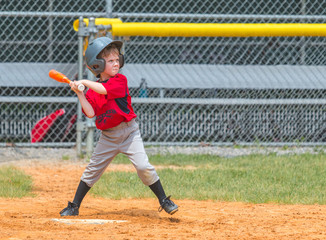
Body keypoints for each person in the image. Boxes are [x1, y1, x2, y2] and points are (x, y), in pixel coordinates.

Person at [59, 37, 178, 216]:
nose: (116, 63)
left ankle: (164, 200)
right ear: (97, 65)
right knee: (93, 169)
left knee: (143, 167)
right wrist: (80, 93)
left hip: (129, 132)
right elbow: (90, 113)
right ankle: (74, 206)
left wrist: (83, 82)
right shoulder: (92, 90)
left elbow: (103, 89)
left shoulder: (120, 80)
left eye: (117, 60)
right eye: (110, 61)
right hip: (108, 136)